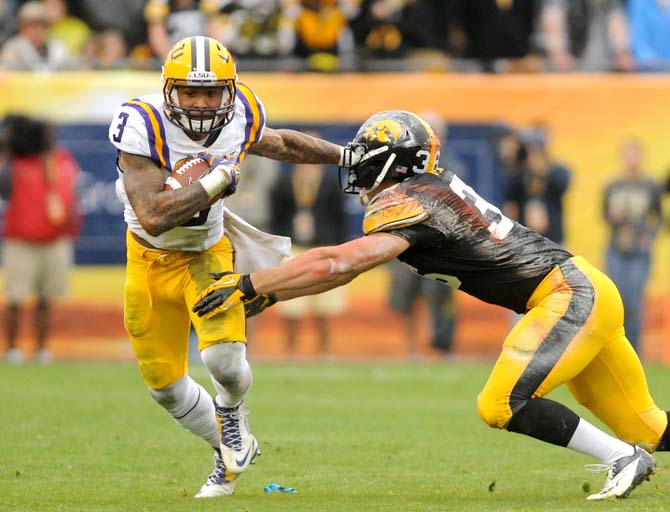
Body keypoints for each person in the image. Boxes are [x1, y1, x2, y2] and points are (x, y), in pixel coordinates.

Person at [193, 110, 670, 501]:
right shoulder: (425, 190)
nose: (356, 167)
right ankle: (630, 450)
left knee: (501, 403)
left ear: (397, 164)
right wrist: (269, 291)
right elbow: (340, 269)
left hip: (567, 295)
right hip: (584, 289)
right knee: (648, 425)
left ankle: (622, 458)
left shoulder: (409, 200)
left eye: (367, 157)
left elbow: (340, 263)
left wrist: (253, 283)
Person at [107, 35, 362, 499]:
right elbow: (154, 217)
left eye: (211, 92)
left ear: (229, 90)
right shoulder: (142, 123)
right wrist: (217, 179)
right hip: (147, 256)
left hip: (207, 252)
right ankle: (228, 442)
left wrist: (346, 156)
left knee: (223, 359)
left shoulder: (241, 111)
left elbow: (283, 144)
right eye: (190, 92)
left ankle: (231, 411)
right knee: (163, 387)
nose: (202, 103)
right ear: (170, 91)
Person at [1, 114, 81, 364]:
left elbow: (71, 196)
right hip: (20, 240)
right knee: (15, 299)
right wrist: (7, 145)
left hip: (55, 240)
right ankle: (12, 349)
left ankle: (42, 349)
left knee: (47, 300)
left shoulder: (62, 159)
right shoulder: (13, 161)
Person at [269, 154, 348, 359]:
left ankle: (324, 351)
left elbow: (340, 219)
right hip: (293, 246)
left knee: (326, 306)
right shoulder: (285, 183)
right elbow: (276, 218)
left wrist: (338, 248)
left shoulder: (331, 183)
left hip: (324, 247)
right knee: (291, 307)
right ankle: (290, 350)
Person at [603, 138, 663, 354]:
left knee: (633, 301)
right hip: (617, 248)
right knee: (617, 300)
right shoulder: (613, 185)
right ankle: (617, 351)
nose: (631, 161)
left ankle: (634, 351)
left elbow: (659, 217)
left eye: (634, 155)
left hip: (639, 251)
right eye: (627, 155)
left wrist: (650, 237)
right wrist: (612, 217)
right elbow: (604, 214)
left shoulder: (650, 186)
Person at [0, 0, 71, 71]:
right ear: (22, 27)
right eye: (32, 25)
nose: (37, 30)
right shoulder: (12, 49)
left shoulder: (58, 48)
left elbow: (72, 70)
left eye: (42, 25)